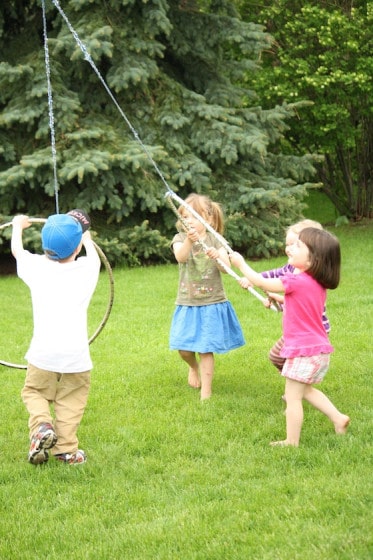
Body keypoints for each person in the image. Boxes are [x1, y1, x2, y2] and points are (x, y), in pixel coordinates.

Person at [230, 227, 350, 446]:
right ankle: (339, 418)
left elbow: (259, 281)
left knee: (293, 398)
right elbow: (303, 304)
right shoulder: (315, 283)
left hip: (304, 351)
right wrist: (281, 298)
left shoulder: (296, 281)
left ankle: (291, 441)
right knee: (306, 391)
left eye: (298, 246)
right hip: (318, 350)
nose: (291, 248)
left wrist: (240, 264)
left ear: (313, 260)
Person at [11, 212, 100, 465]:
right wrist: (86, 234)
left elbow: (18, 250)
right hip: (76, 357)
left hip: (42, 354)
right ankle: (68, 450)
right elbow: (91, 252)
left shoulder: (36, 267)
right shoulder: (88, 268)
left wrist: (18, 225)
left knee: (35, 391)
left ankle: (41, 427)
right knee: (71, 401)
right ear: (78, 247)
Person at [169, 193, 245, 400]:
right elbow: (180, 257)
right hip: (188, 301)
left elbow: (226, 269)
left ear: (209, 219)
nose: (189, 221)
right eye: (185, 216)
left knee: (206, 348)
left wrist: (218, 255)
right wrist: (190, 242)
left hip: (212, 302)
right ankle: (193, 367)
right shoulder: (180, 239)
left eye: (194, 216)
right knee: (183, 349)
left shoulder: (215, 239)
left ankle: (206, 393)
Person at [261, 220, 329, 372]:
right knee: (278, 357)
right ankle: (296, 386)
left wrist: (253, 279)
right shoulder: (293, 266)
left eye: (295, 245)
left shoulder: (307, 275)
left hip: (309, 331)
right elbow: (277, 274)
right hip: (299, 329)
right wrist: (278, 299)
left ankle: (298, 386)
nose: (288, 249)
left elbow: (303, 303)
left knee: (279, 357)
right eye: (287, 244)